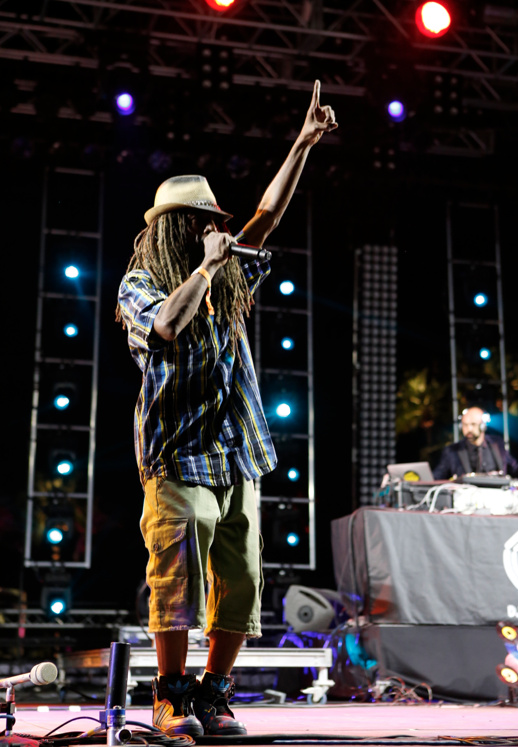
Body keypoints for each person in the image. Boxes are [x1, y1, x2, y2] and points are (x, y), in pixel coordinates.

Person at [116, 80, 337, 738]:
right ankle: (170, 697)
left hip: (238, 445)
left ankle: (214, 693)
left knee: (240, 574)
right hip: (176, 451)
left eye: (218, 221)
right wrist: (207, 270)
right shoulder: (141, 283)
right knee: (178, 570)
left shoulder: (230, 266)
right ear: (181, 229)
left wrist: (302, 144)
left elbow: (265, 217)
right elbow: (167, 327)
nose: (218, 229)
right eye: (205, 221)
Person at [433, 406, 518, 480]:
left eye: (473, 424)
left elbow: (514, 467)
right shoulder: (452, 451)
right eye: (465, 425)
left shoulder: (497, 443)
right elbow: (437, 476)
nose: (468, 429)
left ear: (483, 426)